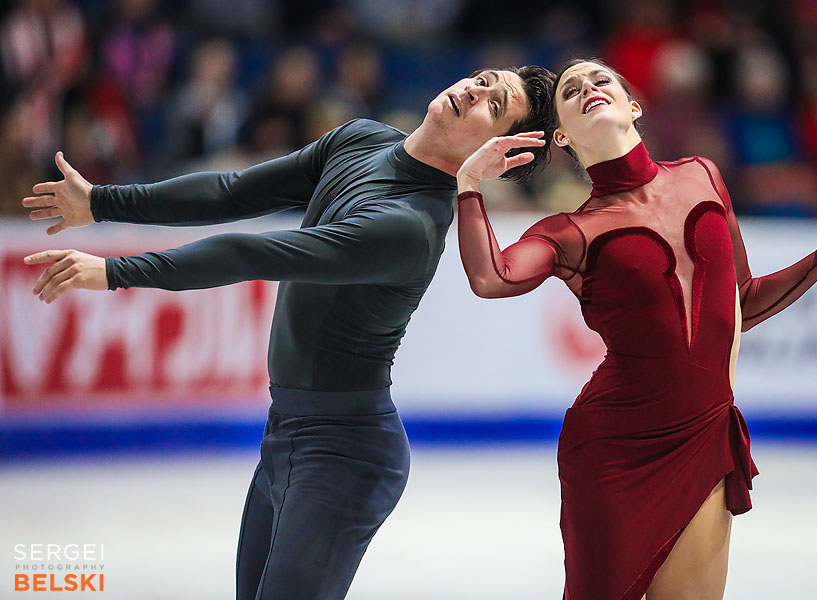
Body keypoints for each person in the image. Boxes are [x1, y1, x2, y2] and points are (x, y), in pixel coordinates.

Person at [21, 65, 556, 600]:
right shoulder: (361, 139)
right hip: (287, 435)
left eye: (495, 103)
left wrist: (116, 271)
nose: (476, 90)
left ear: (499, 152)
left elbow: (250, 252)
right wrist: (101, 202)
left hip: (345, 456)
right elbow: (232, 192)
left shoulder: (410, 224)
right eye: (485, 79)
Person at [454, 59, 817, 600]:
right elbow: (492, 277)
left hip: (704, 437)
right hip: (613, 450)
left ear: (634, 106)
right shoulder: (570, 232)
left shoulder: (703, 175)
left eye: (601, 80)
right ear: (562, 136)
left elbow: (740, 303)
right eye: (571, 90)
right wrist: (469, 183)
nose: (588, 87)